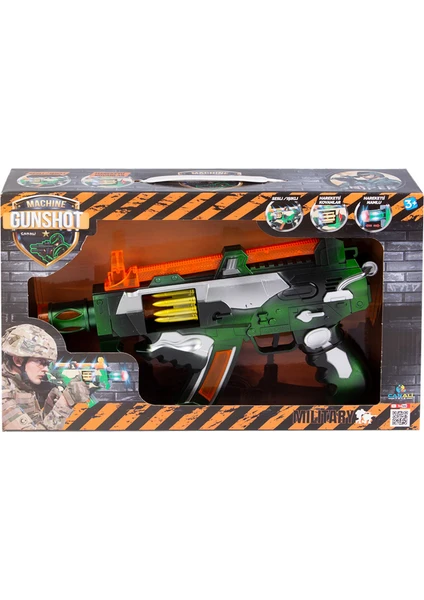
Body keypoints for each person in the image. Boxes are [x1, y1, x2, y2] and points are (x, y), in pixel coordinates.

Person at [2, 324, 90, 430]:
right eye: (40, 362)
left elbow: (35, 425)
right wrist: (65, 403)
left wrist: (50, 405)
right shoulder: (3, 391)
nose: (46, 369)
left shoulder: (21, 386)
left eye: (47, 363)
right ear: (18, 360)